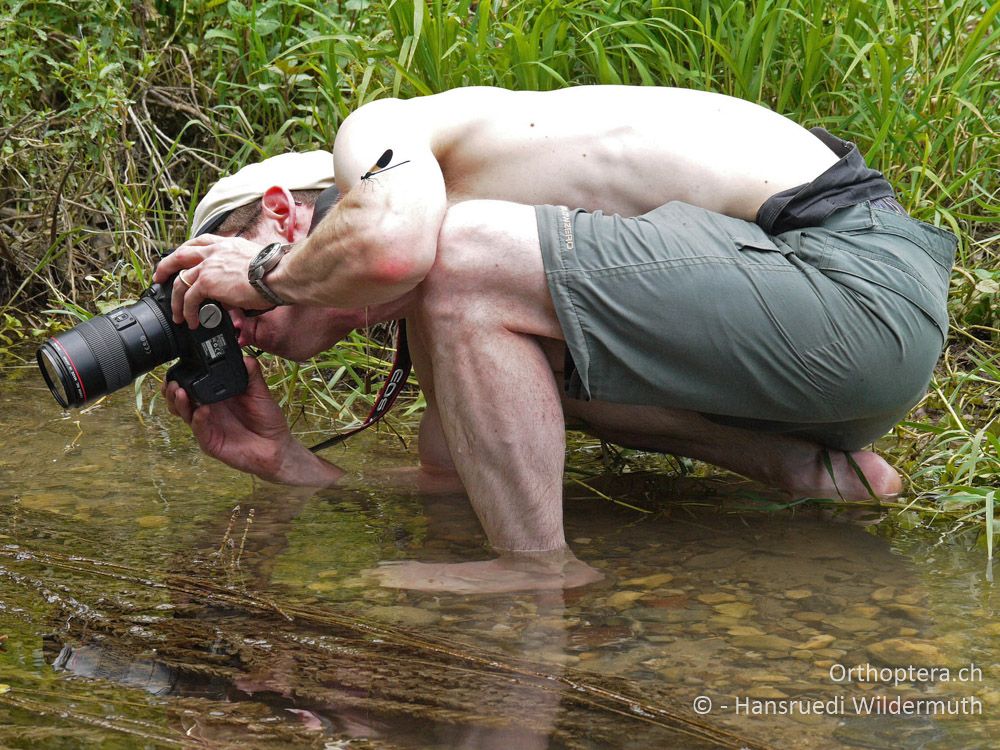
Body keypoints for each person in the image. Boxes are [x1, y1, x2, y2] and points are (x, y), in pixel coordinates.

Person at [155, 86, 956, 592]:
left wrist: (262, 271)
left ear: (284, 210)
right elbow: (457, 474)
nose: (229, 312)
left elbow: (391, 245)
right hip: (826, 367)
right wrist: (293, 469)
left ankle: (536, 572)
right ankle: (809, 467)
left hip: (845, 278)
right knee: (473, 376)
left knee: (460, 257)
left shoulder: (383, 134)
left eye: (215, 272)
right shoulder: (465, 322)